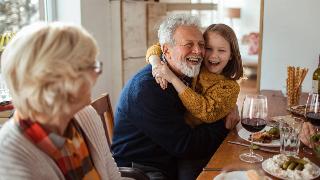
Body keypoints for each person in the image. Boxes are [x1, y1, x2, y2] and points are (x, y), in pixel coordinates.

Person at [111, 14, 239, 180]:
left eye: (201, 44)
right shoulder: (148, 89)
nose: (198, 51)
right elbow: (187, 146)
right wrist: (223, 123)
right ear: (166, 50)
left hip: (172, 156)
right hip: (145, 169)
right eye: (188, 45)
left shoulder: (185, 73)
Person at [0, 22, 124, 179]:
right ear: (57, 80)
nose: (97, 73)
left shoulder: (87, 115)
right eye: (91, 66)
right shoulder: (10, 158)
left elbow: (112, 174)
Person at [146, 23, 243, 127]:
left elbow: (205, 111)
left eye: (221, 50)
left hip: (197, 136)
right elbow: (159, 47)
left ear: (231, 55)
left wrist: (173, 79)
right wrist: (156, 64)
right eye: (208, 48)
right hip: (173, 126)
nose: (214, 55)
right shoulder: (197, 65)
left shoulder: (230, 87)